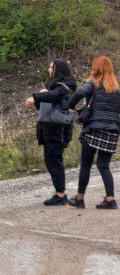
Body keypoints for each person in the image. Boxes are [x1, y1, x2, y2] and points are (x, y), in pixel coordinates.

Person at [67, 55, 120, 210]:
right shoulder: (117, 88)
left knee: (86, 165)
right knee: (104, 166)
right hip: (111, 131)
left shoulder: (93, 84)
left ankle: (80, 199)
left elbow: (78, 94)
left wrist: (71, 106)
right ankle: (110, 199)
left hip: (93, 129)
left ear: (96, 68)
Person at [26, 60, 77, 206]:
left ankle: (61, 195)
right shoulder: (55, 87)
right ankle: (59, 193)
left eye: (50, 67)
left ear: (57, 69)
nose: (48, 69)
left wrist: (36, 96)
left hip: (57, 130)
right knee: (52, 160)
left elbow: (54, 96)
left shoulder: (64, 87)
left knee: (54, 160)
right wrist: (39, 98)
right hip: (50, 129)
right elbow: (47, 106)